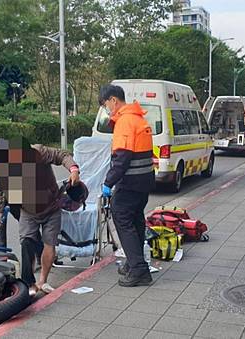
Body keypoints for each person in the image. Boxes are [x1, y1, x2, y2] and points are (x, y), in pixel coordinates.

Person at [0, 137, 80, 295]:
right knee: (26, 242)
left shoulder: (39, 152)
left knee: (49, 244)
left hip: (51, 206)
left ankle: (43, 281)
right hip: (28, 210)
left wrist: (73, 169)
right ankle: (28, 284)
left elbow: (62, 155)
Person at [99, 84, 155, 287]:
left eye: (106, 105)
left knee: (122, 219)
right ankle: (136, 264)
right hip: (145, 181)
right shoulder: (139, 118)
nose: (107, 109)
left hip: (130, 182)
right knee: (136, 221)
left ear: (113, 100)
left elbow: (122, 158)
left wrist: (108, 182)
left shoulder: (125, 121)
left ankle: (139, 269)